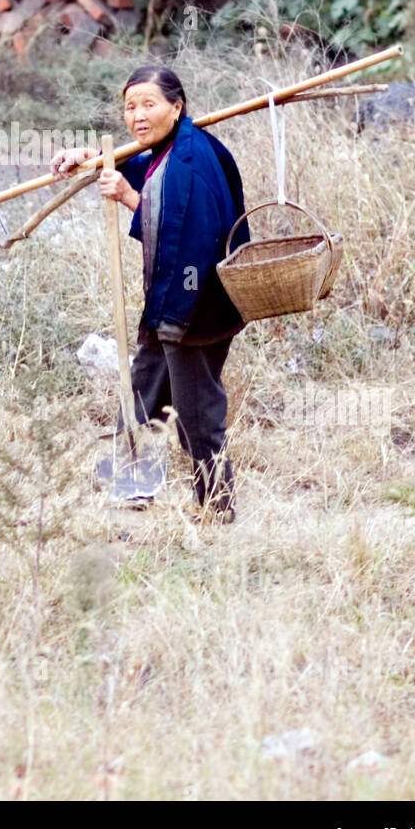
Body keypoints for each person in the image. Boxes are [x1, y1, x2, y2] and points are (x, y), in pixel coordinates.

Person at [51, 66, 250, 521]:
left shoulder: (192, 161)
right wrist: (94, 159)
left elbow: (190, 232)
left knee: (197, 413)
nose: (137, 115)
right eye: (129, 106)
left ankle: (218, 511)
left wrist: (126, 197)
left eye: (148, 104)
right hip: (170, 304)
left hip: (197, 307)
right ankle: (131, 490)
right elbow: (145, 168)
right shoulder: (170, 147)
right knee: (143, 392)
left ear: (176, 106)